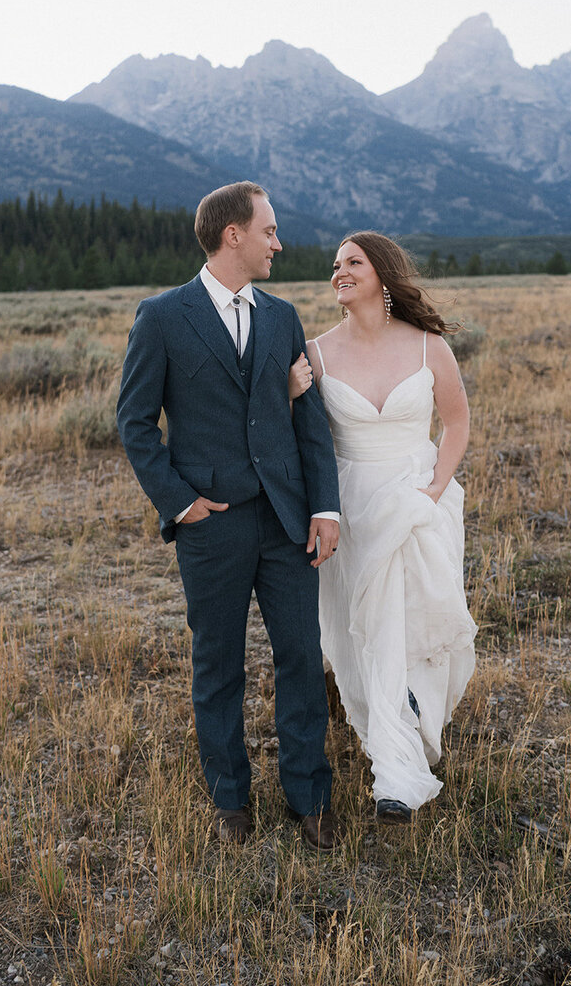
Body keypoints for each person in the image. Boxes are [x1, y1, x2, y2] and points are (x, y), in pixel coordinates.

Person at [117, 181, 342, 850]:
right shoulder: (161, 316)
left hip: (287, 519)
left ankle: (310, 799)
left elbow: (309, 421)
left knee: (301, 656)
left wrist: (324, 506)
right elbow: (134, 422)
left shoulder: (283, 316)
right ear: (233, 235)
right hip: (211, 525)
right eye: (269, 230)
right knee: (218, 664)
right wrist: (181, 503)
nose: (280, 242)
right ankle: (230, 801)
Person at [292, 231, 476, 824]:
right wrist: (290, 391)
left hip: (419, 497)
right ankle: (392, 748)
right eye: (335, 264)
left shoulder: (427, 349)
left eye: (353, 262)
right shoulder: (316, 353)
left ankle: (398, 772)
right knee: (361, 630)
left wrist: (434, 490)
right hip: (349, 505)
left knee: (410, 620)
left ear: (382, 274)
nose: (338, 271)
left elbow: (456, 423)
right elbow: (296, 434)